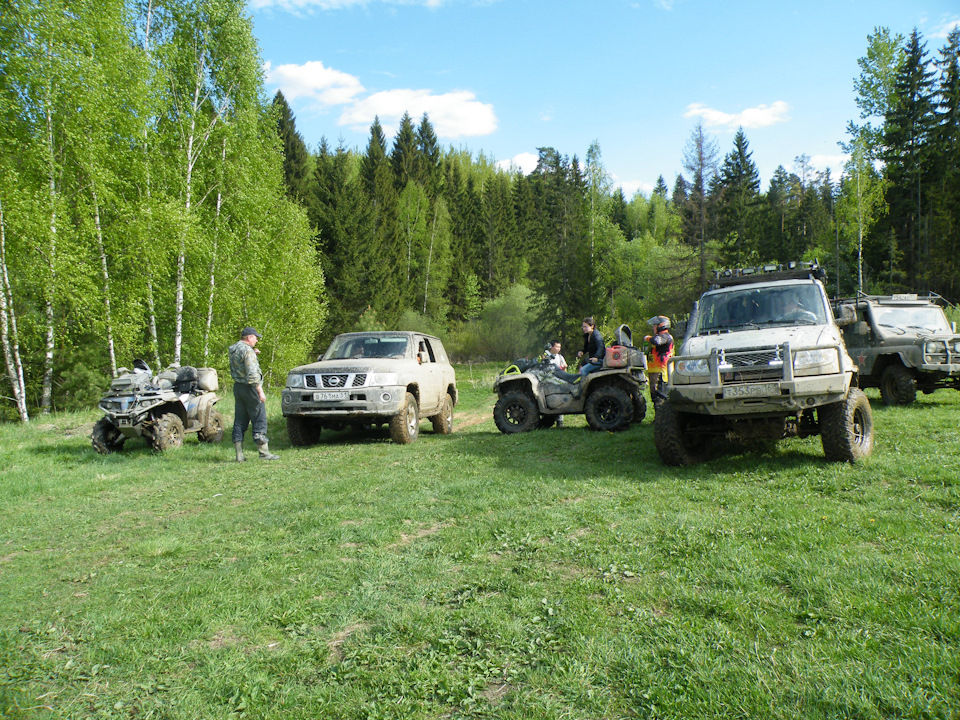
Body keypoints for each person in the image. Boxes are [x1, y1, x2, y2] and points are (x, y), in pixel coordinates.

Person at [228, 326, 279, 461]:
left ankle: (239, 455)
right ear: (249, 337)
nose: (256, 340)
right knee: (259, 418)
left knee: (239, 420)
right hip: (251, 388)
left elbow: (241, 364)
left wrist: (252, 353)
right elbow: (252, 374)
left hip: (238, 388)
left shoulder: (234, 349)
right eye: (255, 338)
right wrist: (260, 392)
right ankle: (264, 453)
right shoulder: (247, 352)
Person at [644, 315, 674, 408]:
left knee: (660, 397)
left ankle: (662, 420)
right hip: (655, 372)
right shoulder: (660, 336)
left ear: (661, 325)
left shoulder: (666, 336)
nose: (653, 327)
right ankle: (657, 419)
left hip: (662, 372)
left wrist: (648, 338)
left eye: (655, 325)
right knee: (654, 396)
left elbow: (657, 341)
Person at [543, 340, 568, 427]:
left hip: (558, 381)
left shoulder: (560, 357)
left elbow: (565, 370)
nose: (558, 349)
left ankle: (560, 420)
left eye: (559, 347)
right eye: (557, 347)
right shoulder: (545, 356)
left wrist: (564, 369)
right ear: (551, 347)